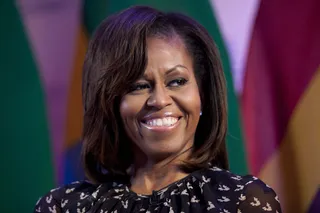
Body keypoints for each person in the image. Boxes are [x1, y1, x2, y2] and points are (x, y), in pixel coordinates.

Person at [34, 5, 282, 213]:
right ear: (110, 102)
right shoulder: (65, 206)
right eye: (139, 86)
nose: (160, 99)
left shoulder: (242, 202)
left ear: (202, 95)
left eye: (177, 82)